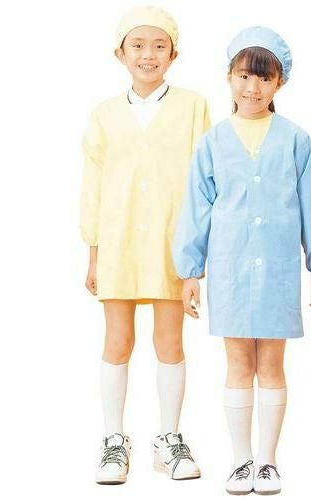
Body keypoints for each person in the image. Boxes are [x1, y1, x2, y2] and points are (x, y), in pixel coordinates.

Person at [173, 26, 311, 495]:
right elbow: (196, 207)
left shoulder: (296, 140)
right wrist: (190, 272)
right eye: (244, 75)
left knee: (273, 365)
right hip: (230, 268)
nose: (253, 87)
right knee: (239, 363)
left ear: (280, 82)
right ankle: (241, 460)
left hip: (279, 269)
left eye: (265, 78)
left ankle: (267, 461)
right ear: (229, 77)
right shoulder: (213, 142)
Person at [80, 5, 210, 485]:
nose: (148, 54)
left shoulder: (193, 107)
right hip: (117, 243)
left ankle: (168, 440)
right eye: (137, 45)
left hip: (172, 242)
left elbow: (205, 182)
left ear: (174, 54)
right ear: (120, 53)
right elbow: (93, 188)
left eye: (159, 45)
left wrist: (197, 257)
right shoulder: (104, 115)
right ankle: (114, 440)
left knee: (169, 341)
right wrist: (93, 253)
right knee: (118, 341)